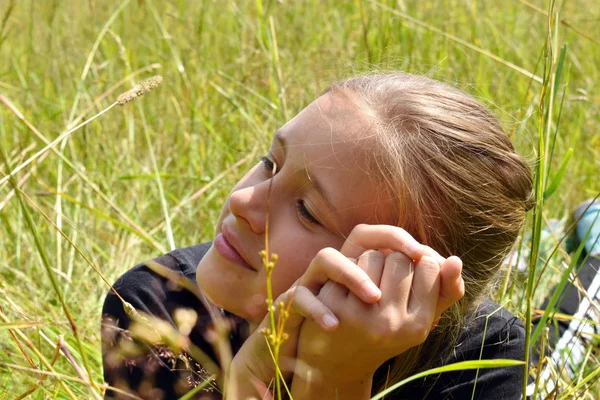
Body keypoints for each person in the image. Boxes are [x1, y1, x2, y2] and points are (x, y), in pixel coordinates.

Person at [101, 73, 534, 399]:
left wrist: (333, 380)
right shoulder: (156, 308)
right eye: (270, 162)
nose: (243, 201)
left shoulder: (482, 359)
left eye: (307, 210)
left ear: (400, 277)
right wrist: (250, 376)